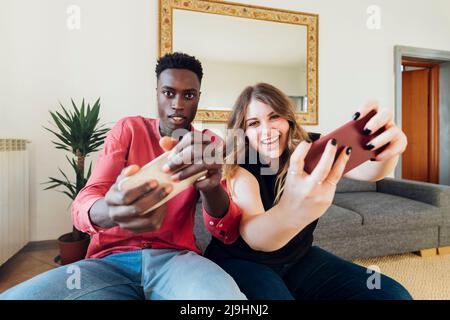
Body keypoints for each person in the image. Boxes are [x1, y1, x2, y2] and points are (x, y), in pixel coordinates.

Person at [0, 52, 246, 300]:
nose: (178, 104)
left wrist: (211, 187)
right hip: (109, 262)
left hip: (178, 260)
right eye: (169, 93)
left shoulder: (209, 144)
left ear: (198, 98)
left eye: (188, 95)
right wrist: (109, 209)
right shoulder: (129, 129)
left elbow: (227, 230)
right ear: (157, 92)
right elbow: (85, 200)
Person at [202, 83, 412, 300]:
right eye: (254, 123)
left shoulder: (307, 148)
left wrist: (385, 152)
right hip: (242, 262)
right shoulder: (239, 166)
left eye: (274, 117)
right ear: (243, 130)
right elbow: (257, 239)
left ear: (288, 118)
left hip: (298, 257)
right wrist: (295, 211)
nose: (267, 130)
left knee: (394, 296)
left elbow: (370, 173)